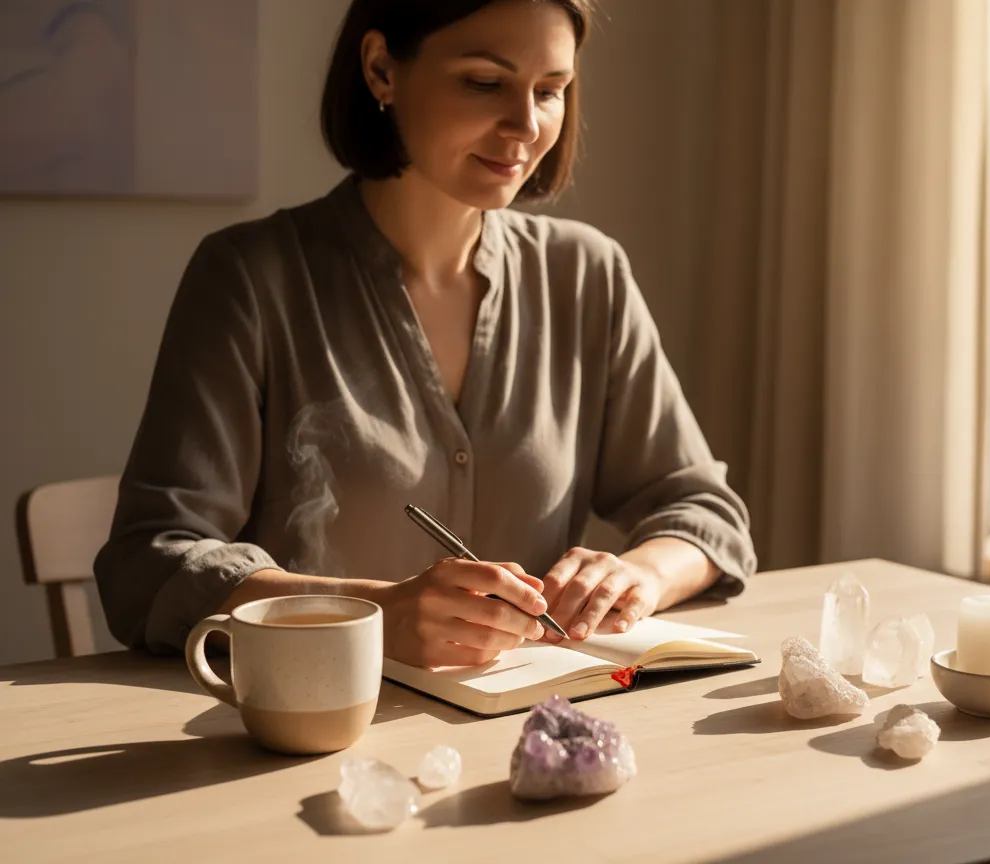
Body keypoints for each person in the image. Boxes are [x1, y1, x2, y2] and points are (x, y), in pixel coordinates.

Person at [94, 0, 756, 668]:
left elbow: (705, 512)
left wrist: (639, 575)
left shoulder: (587, 276)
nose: (526, 126)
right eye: (484, 82)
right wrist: (372, 613)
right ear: (382, 69)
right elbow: (150, 563)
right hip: (304, 721)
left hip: (536, 722)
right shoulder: (249, 278)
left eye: (550, 91)